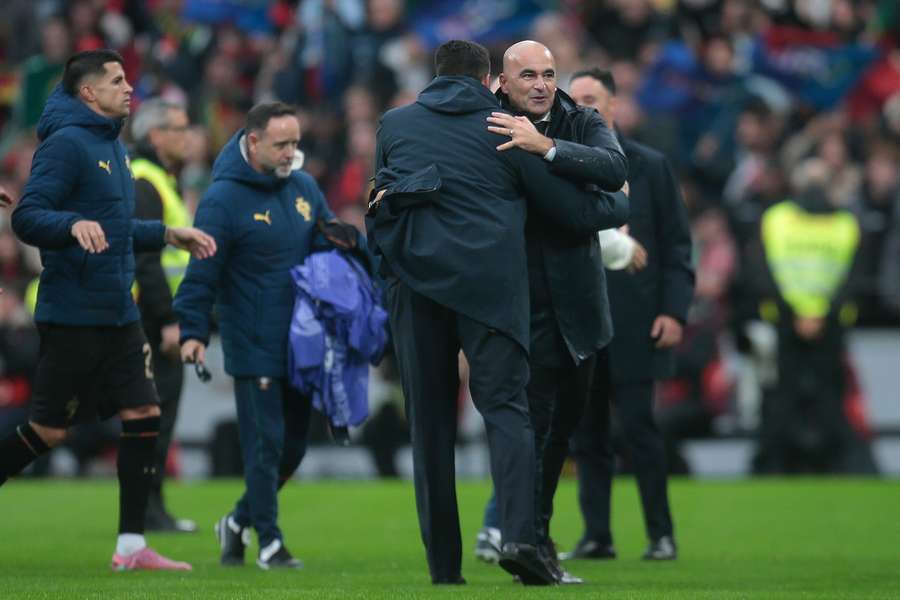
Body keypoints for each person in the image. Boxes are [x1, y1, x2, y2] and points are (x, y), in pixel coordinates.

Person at [368, 40, 627, 586]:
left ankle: (444, 569)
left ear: (434, 76)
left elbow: (381, 193)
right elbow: (571, 207)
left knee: (431, 428)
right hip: (489, 290)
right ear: (491, 81)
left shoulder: (394, 124)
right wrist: (616, 204)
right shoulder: (502, 127)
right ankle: (519, 538)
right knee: (508, 413)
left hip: (417, 288)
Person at [1, 49, 216, 571]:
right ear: (88, 93)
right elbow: (28, 216)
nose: (128, 88)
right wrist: (71, 224)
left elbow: (117, 231)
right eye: (116, 81)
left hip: (118, 312)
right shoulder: (68, 144)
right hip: (73, 313)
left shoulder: (114, 147)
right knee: (49, 432)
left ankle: (131, 547)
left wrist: (167, 233)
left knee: (144, 413)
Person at [473, 41, 631, 584]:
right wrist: (595, 205)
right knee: (533, 429)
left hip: (581, 306)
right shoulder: (489, 126)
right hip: (521, 305)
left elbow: (617, 175)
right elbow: (600, 203)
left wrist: (546, 149)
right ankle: (527, 542)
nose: (541, 85)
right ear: (502, 83)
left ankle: (530, 540)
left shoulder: (579, 119)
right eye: (528, 76)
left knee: (561, 431)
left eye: (548, 74)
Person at [174, 101, 343, 570]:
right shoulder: (222, 199)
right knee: (264, 443)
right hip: (252, 339)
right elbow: (201, 272)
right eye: (281, 144)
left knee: (293, 447)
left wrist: (351, 243)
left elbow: (327, 244)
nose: (291, 152)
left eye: (295, 143)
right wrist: (192, 330)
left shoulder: (305, 187)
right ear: (253, 142)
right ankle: (269, 541)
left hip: (301, 341)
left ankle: (236, 521)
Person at [562, 68, 694, 562]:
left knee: (640, 430)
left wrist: (674, 311)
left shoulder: (650, 166)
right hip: (583, 320)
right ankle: (598, 535)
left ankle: (661, 534)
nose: (582, 109)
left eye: (591, 99)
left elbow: (677, 246)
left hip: (638, 321)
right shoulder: (561, 162)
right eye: (573, 101)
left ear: (614, 106)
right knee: (588, 435)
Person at [129, 98, 198, 533]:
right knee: (152, 415)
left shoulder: (160, 180)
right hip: (152, 322)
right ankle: (146, 509)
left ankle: (152, 507)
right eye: (178, 128)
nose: (187, 135)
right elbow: (146, 259)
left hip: (157, 318)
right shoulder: (146, 181)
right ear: (155, 136)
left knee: (158, 416)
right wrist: (169, 318)